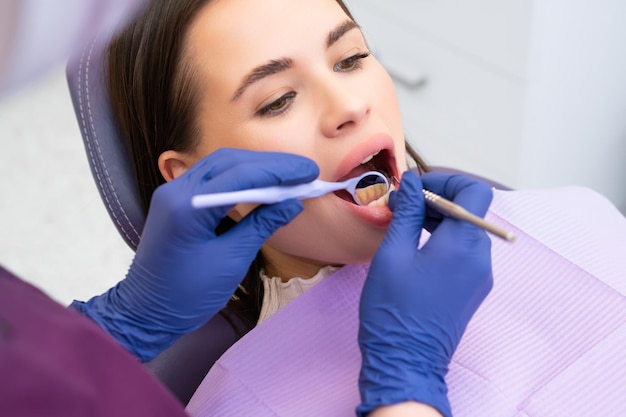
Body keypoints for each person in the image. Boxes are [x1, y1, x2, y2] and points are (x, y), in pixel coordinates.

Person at [70, 1, 493, 416]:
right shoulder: (241, 401)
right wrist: (406, 380)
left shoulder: (514, 218)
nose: (349, 106)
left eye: (350, 59)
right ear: (196, 177)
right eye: (277, 101)